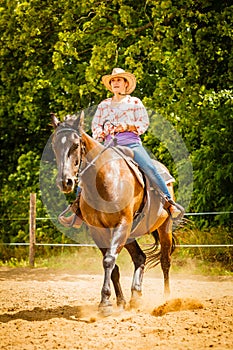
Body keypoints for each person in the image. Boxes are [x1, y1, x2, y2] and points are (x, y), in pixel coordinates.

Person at [59, 68, 183, 228]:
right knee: (86, 170)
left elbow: (143, 123)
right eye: (113, 81)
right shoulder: (104, 105)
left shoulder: (135, 102)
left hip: (131, 144)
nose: (115, 83)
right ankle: (77, 212)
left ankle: (169, 202)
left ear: (126, 84)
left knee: (150, 168)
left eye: (119, 80)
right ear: (110, 86)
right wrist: (102, 132)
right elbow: (95, 126)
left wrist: (127, 125)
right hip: (109, 146)